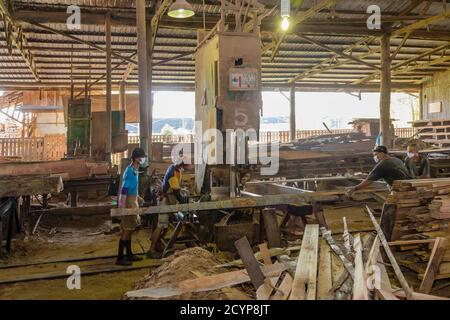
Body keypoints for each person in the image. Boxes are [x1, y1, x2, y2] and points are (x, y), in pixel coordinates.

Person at [147, 155, 189, 258]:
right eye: (187, 164)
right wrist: (184, 203)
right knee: (161, 224)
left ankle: (157, 243)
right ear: (182, 163)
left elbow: (177, 188)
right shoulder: (173, 172)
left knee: (166, 225)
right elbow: (176, 191)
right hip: (165, 200)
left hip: (170, 199)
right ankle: (151, 250)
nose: (189, 166)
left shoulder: (177, 170)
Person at [116, 147, 147, 266]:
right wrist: (122, 207)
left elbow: (133, 189)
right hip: (128, 202)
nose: (143, 159)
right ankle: (120, 258)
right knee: (126, 229)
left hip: (133, 200)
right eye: (141, 157)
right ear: (135, 159)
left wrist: (138, 198)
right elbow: (124, 190)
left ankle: (129, 255)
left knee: (130, 229)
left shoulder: (135, 171)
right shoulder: (129, 172)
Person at [346, 145, 411, 196]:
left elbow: (368, 182)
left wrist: (354, 189)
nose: (375, 157)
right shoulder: (396, 159)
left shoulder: (383, 164)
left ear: (382, 153)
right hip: (409, 185)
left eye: (376, 154)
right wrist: (367, 175)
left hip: (400, 189)